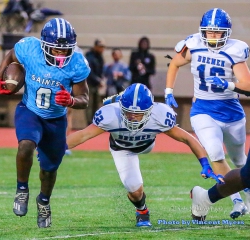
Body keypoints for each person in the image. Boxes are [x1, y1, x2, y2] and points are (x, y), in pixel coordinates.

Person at [66, 83, 223, 227]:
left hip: (147, 144)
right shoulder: (110, 115)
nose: (132, 117)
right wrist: (54, 149)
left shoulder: (159, 115)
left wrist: (205, 164)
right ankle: (142, 210)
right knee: (134, 189)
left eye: (138, 113)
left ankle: (118, 96)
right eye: (128, 112)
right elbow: (82, 135)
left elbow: (187, 138)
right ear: (121, 108)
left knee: (135, 182)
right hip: (123, 148)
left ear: (149, 111)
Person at [0, 18, 90, 228]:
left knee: (49, 170)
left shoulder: (77, 63)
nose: (62, 54)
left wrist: (72, 100)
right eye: (57, 50)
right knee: (26, 145)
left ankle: (43, 202)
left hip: (56, 120)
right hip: (30, 110)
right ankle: (22, 189)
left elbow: (85, 99)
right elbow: (11, 54)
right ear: (45, 45)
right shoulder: (30, 49)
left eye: (65, 50)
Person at [165, 8, 250, 219]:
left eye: (217, 32)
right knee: (215, 153)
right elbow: (174, 63)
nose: (213, 36)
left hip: (231, 111)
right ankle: (237, 200)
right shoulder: (193, 44)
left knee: (241, 161)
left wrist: (229, 85)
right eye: (209, 32)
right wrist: (168, 91)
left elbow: (247, 84)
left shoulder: (235, 49)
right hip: (203, 109)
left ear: (226, 32)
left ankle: (238, 194)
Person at [191, 73, 250, 220]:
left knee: (243, 167)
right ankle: (209, 197)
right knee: (247, 173)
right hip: (208, 110)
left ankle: (205, 197)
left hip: (233, 116)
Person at [85, 38, 106, 125]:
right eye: (100, 47)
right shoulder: (89, 56)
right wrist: (98, 80)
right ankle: (89, 123)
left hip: (97, 84)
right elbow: (89, 71)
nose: (102, 49)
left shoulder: (100, 57)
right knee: (89, 105)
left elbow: (101, 70)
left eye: (103, 47)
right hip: (89, 83)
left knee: (96, 104)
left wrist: (101, 80)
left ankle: (95, 122)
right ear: (95, 46)